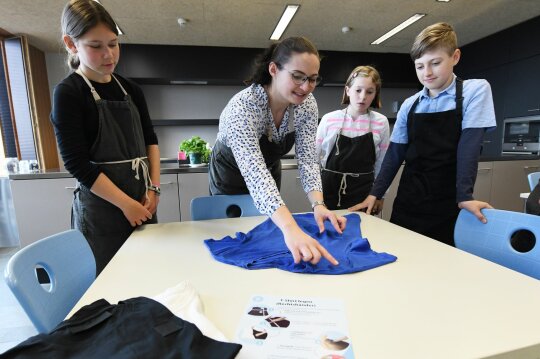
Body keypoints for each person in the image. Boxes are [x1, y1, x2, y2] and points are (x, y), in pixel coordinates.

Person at [350, 22, 496, 246]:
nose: (427, 73)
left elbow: (469, 147)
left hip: (449, 203)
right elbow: (395, 154)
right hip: (409, 201)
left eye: (435, 63)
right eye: (419, 66)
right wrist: (375, 194)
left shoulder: (474, 91)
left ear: (455, 57)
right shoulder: (410, 105)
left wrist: (465, 196)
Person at [208, 36, 347, 265]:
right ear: (273, 69)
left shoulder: (307, 105)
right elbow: (254, 172)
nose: (306, 87)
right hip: (230, 173)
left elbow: (308, 159)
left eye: (312, 79)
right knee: (236, 235)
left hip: (270, 167)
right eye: (297, 77)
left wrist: (318, 204)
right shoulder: (243, 107)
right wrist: (291, 227)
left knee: (269, 229)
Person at [51, 0, 161, 274]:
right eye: (95, 46)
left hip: (142, 202)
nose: (108, 54)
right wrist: (126, 205)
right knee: (110, 288)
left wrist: (154, 189)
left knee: (147, 275)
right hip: (102, 212)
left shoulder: (131, 89)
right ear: (71, 43)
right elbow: (77, 165)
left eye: (113, 43)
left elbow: (151, 140)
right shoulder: (68, 93)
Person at [316, 66, 389, 211]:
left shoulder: (381, 122)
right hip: (328, 190)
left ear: (376, 94)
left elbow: (383, 163)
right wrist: (316, 199)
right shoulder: (329, 119)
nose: (363, 97)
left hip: (364, 194)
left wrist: (380, 195)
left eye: (369, 92)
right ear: (348, 90)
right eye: (358, 90)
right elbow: (313, 158)